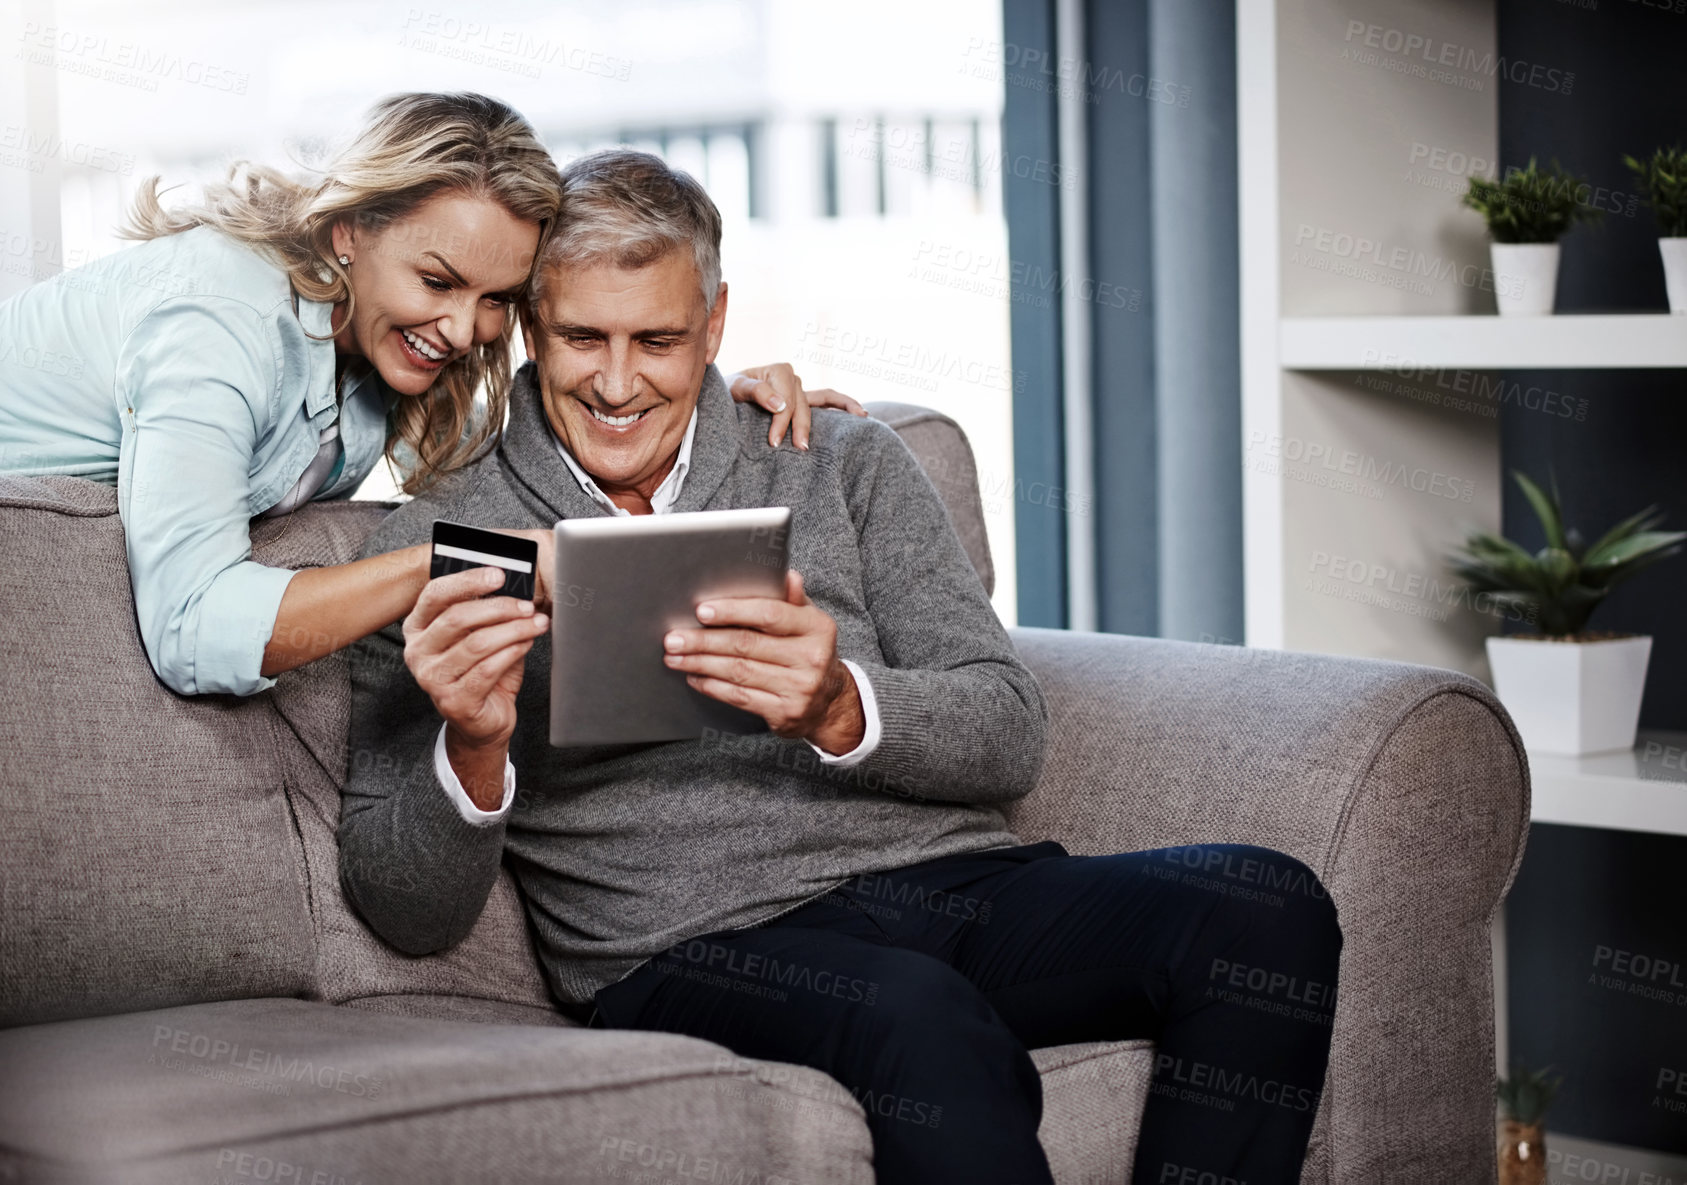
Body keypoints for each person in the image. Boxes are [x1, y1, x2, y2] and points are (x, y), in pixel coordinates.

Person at [338, 149, 1342, 1185]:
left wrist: (836, 708)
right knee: (915, 1015)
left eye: (660, 339)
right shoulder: (440, 545)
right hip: (695, 942)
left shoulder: (838, 458)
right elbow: (404, 908)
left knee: (1261, 906)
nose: (618, 380)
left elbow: (1007, 733)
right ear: (530, 330)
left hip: (953, 888)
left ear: (717, 325)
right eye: (583, 337)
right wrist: (474, 743)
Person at [0, 91, 857, 698]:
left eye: (494, 300)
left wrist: (718, 395)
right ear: (347, 232)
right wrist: (475, 555)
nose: (460, 330)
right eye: (437, 279)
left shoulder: (366, 356)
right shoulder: (217, 322)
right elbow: (190, 631)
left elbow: (581, 379)